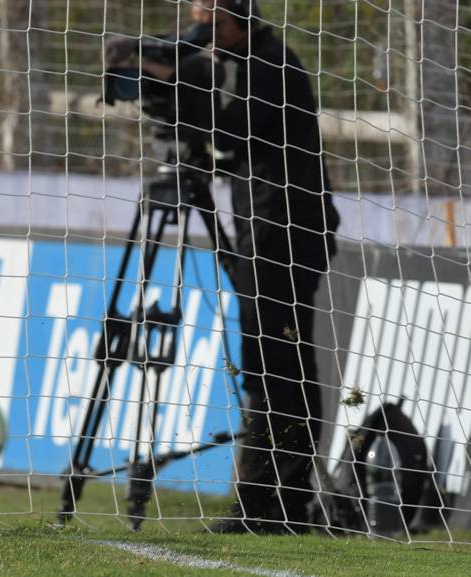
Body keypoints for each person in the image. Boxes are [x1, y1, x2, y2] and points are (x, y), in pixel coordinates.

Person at [114, 0, 341, 533]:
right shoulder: (238, 59)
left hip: (288, 228)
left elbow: (232, 130)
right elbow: (230, 144)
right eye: (196, 20)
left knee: (274, 356)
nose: (201, 32)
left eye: (212, 22)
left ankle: (275, 504)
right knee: (266, 354)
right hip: (261, 222)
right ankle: (273, 500)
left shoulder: (270, 62)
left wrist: (173, 81)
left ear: (242, 16)